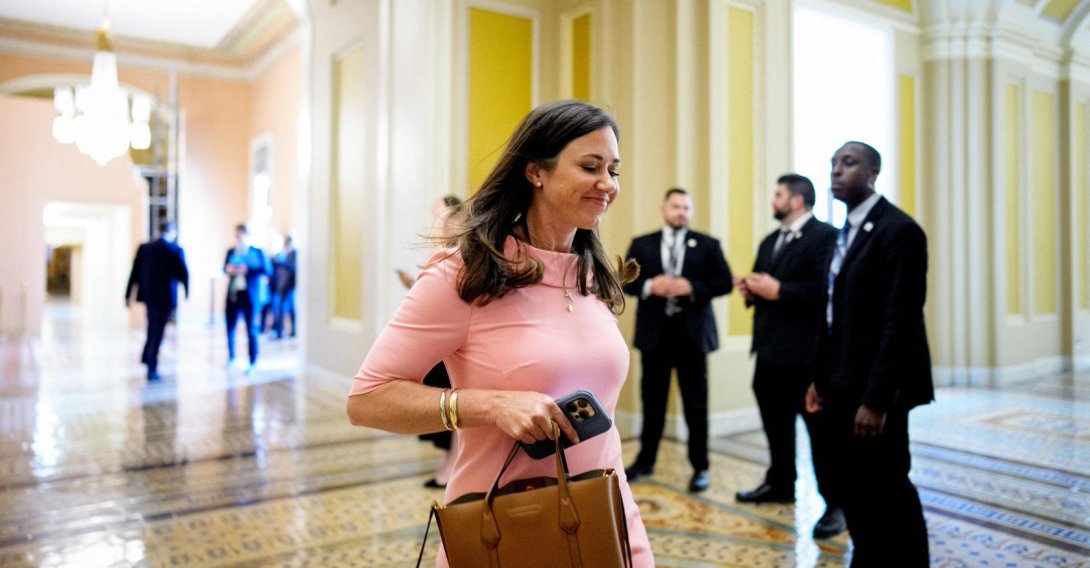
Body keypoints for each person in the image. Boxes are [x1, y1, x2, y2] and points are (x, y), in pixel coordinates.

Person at [347, 100, 653, 566]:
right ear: (536, 172)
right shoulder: (465, 274)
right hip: (506, 526)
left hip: (609, 521)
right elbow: (366, 400)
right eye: (590, 167)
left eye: (614, 170)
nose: (607, 185)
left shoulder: (592, 275)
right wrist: (489, 404)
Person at [806, 141, 934, 565]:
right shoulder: (842, 233)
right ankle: (869, 556)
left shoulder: (899, 231)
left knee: (890, 486)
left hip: (879, 393)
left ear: (874, 171)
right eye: (833, 164)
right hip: (840, 386)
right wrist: (817, 380)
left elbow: (900, 325)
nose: (836, 172)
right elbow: (831, 316)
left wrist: (877, 400)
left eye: (849, 163)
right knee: (853, 484)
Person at [733, 174, 845, 538]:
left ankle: (835, 503)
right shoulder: (769, 241)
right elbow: (766, 289)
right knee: (776, 426)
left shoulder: (826, 236)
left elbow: (826, 292)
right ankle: (780, 482)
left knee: (822, 436)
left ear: (797, 200)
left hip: (807, 356)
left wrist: (779, 289)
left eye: (778, 194)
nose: (773, 200)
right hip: (768, 353)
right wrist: (751, 290)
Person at [623, 188, 733, 493]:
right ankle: (645, 462)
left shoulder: (708, 245)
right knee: (653, 403)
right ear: (664, 208)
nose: (681, 211)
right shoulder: (642, 244)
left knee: (696, 406)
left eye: (687, 207)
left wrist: (691, 286)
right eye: (676, 206)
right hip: (655, 337)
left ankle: (701, 468)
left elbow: (724, 282)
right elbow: (625, 282)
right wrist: (649, 286)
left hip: (693, 338)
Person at [396, 195, 463, 488]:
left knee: (456, 409)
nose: (437, 223)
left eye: (443, 216)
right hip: (439, 343)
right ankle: (449, 464)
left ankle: (454, 467)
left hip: (453, 346)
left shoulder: (459, 255)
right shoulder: (441, 253)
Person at [125, 221, 189, 382]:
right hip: (166, 297)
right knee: (158, 330)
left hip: (149, 296)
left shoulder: (145, 248)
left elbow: (134, 273)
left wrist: (128, 295)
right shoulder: (175, 249)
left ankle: (147, 356)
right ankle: (151, 364)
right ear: (172, 232)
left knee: (152, 326)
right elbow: (184, 273)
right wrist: (187, 291)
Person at [224, 223, 269, 373]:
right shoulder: (231, 251)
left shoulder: (257, 252)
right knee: (230, 326)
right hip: (234, 293)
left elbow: (267, 270)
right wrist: (229, 269)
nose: (239, 237)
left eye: (241, 234)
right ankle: (231, 357)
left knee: (251, 328)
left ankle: (253, 361)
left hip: (250, 295)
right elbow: (225, 268)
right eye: (237, 235)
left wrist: (247, 269)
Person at [269, 234, 297, 339]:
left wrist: (280, 262)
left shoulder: (294, 254)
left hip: (290, 287)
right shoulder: (284, 255)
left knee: (290, 308)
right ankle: (280, 331)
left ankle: (293, 330)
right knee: (281, 308)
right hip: (282, 287)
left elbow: (291, 268)